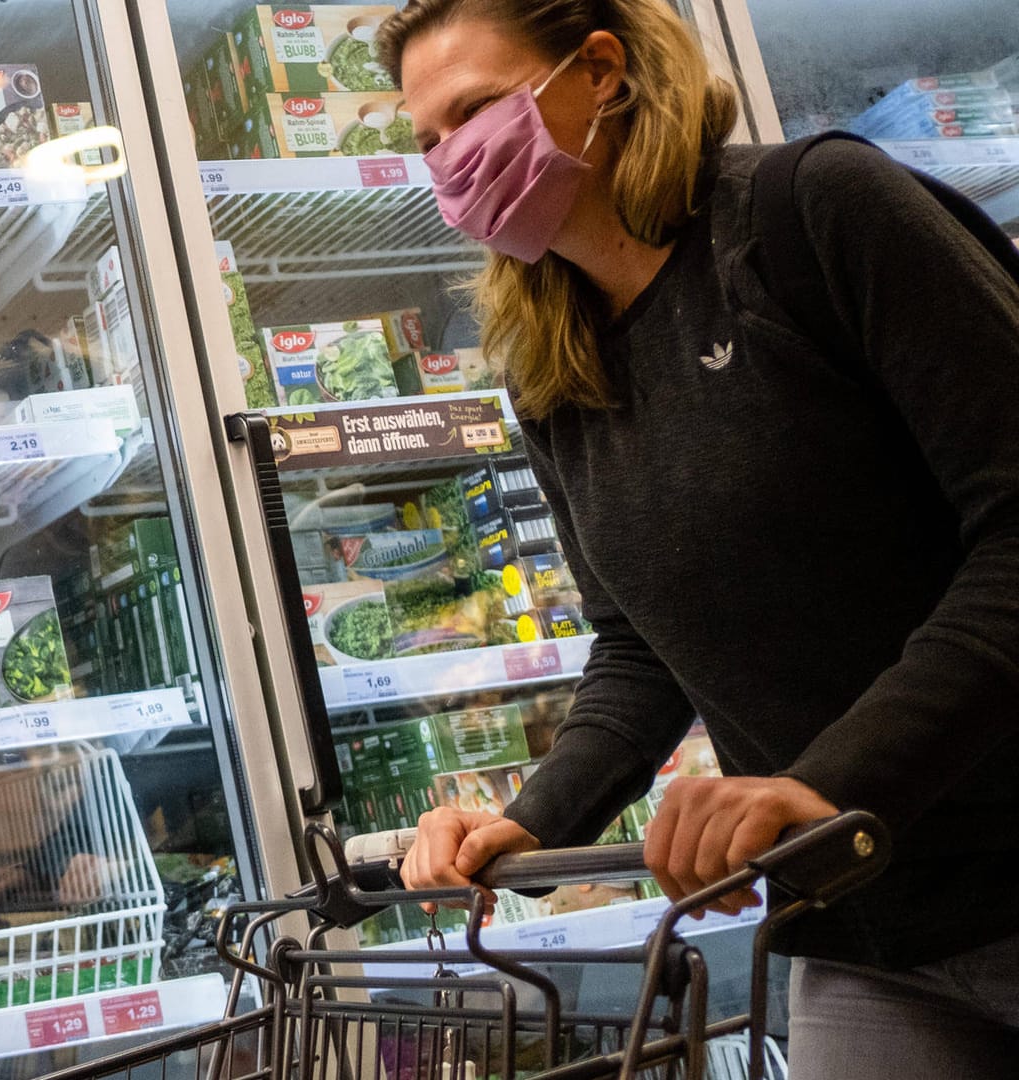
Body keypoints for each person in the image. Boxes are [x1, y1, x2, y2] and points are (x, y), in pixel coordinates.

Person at [374, 2, 1019, 1076]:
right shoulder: (552, 369)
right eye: (428, 140)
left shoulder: (810, 213)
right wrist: (530, 820)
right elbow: (637, 646)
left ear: (601, 72)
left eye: (476, 111)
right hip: (861, 922)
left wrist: (833, 779)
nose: (454, 161)